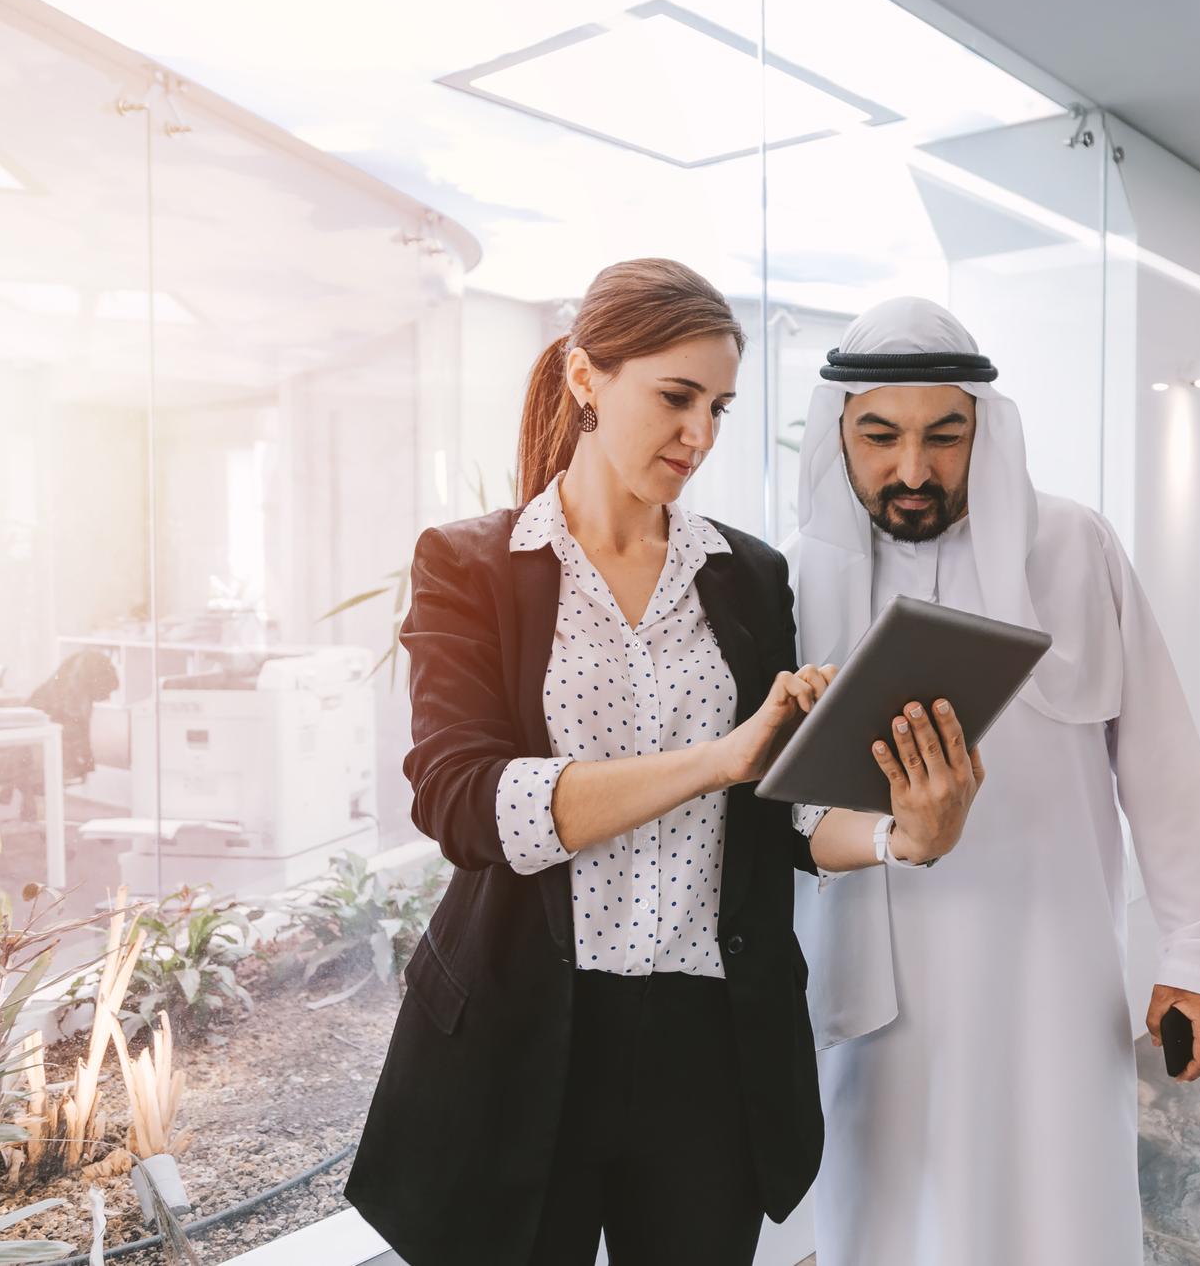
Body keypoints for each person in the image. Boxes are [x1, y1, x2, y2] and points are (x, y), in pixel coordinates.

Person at [347, 258, 839, 1265]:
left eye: (719, 407)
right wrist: (715, 759)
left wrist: (902, 831)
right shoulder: (470, 564)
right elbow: (462, 800)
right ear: (585, 380)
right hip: (526, 1034)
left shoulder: (750, 575)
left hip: (709, 1043)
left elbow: (778, 807)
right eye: (675, 397)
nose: (699, 434)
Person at [787, 296, 1200, 1265]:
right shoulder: (795, 580)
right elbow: (775, 813)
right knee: (888, 1225)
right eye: (879, 435)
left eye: (943, 436)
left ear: (982, 430)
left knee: (1057, 1213)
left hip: (1051, 971)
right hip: (880, 996)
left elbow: (1161, 757)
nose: (911, 469)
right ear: (837, 432)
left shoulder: (1073, 546)